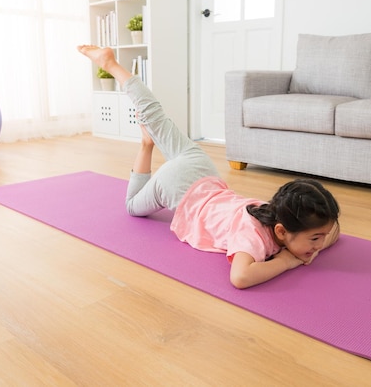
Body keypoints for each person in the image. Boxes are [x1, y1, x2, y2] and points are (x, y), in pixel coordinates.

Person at [77, 45, 341, 289]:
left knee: (154, 114)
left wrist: (315, 242)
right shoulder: (255, 237)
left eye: (320, 238)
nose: (318, 246)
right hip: (177, 187)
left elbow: (335, 231)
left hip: (201, 168)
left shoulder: (278, 212)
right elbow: (240, 278)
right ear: (282, 232)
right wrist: (286, 261)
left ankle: (111, 65)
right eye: (315, 240)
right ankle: (146, 145)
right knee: (133, 207)